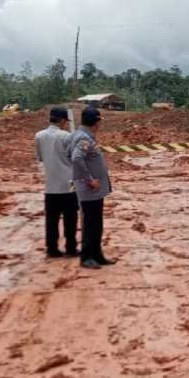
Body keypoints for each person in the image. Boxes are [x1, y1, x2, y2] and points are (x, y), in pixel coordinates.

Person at [70, 106, 116, 269]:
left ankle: (97, 255)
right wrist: (89, 179)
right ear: (96, 122)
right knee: (91, 223)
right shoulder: (84, 138)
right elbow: (76, 158)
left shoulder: (83, 135)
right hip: (90, 189)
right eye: (99, 121)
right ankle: (87, 257)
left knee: (96, 223)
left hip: (93, 191)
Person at [34, 107, 78, 258]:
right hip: (68, 184)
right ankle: (71, 248)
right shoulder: (67, 136)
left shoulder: (39, 136)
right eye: (65, 122)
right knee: (70, 218)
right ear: (62, 120)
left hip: (51, 185)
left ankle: (52, 248)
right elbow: (75, 157)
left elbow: (40, 157)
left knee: (51, 220)